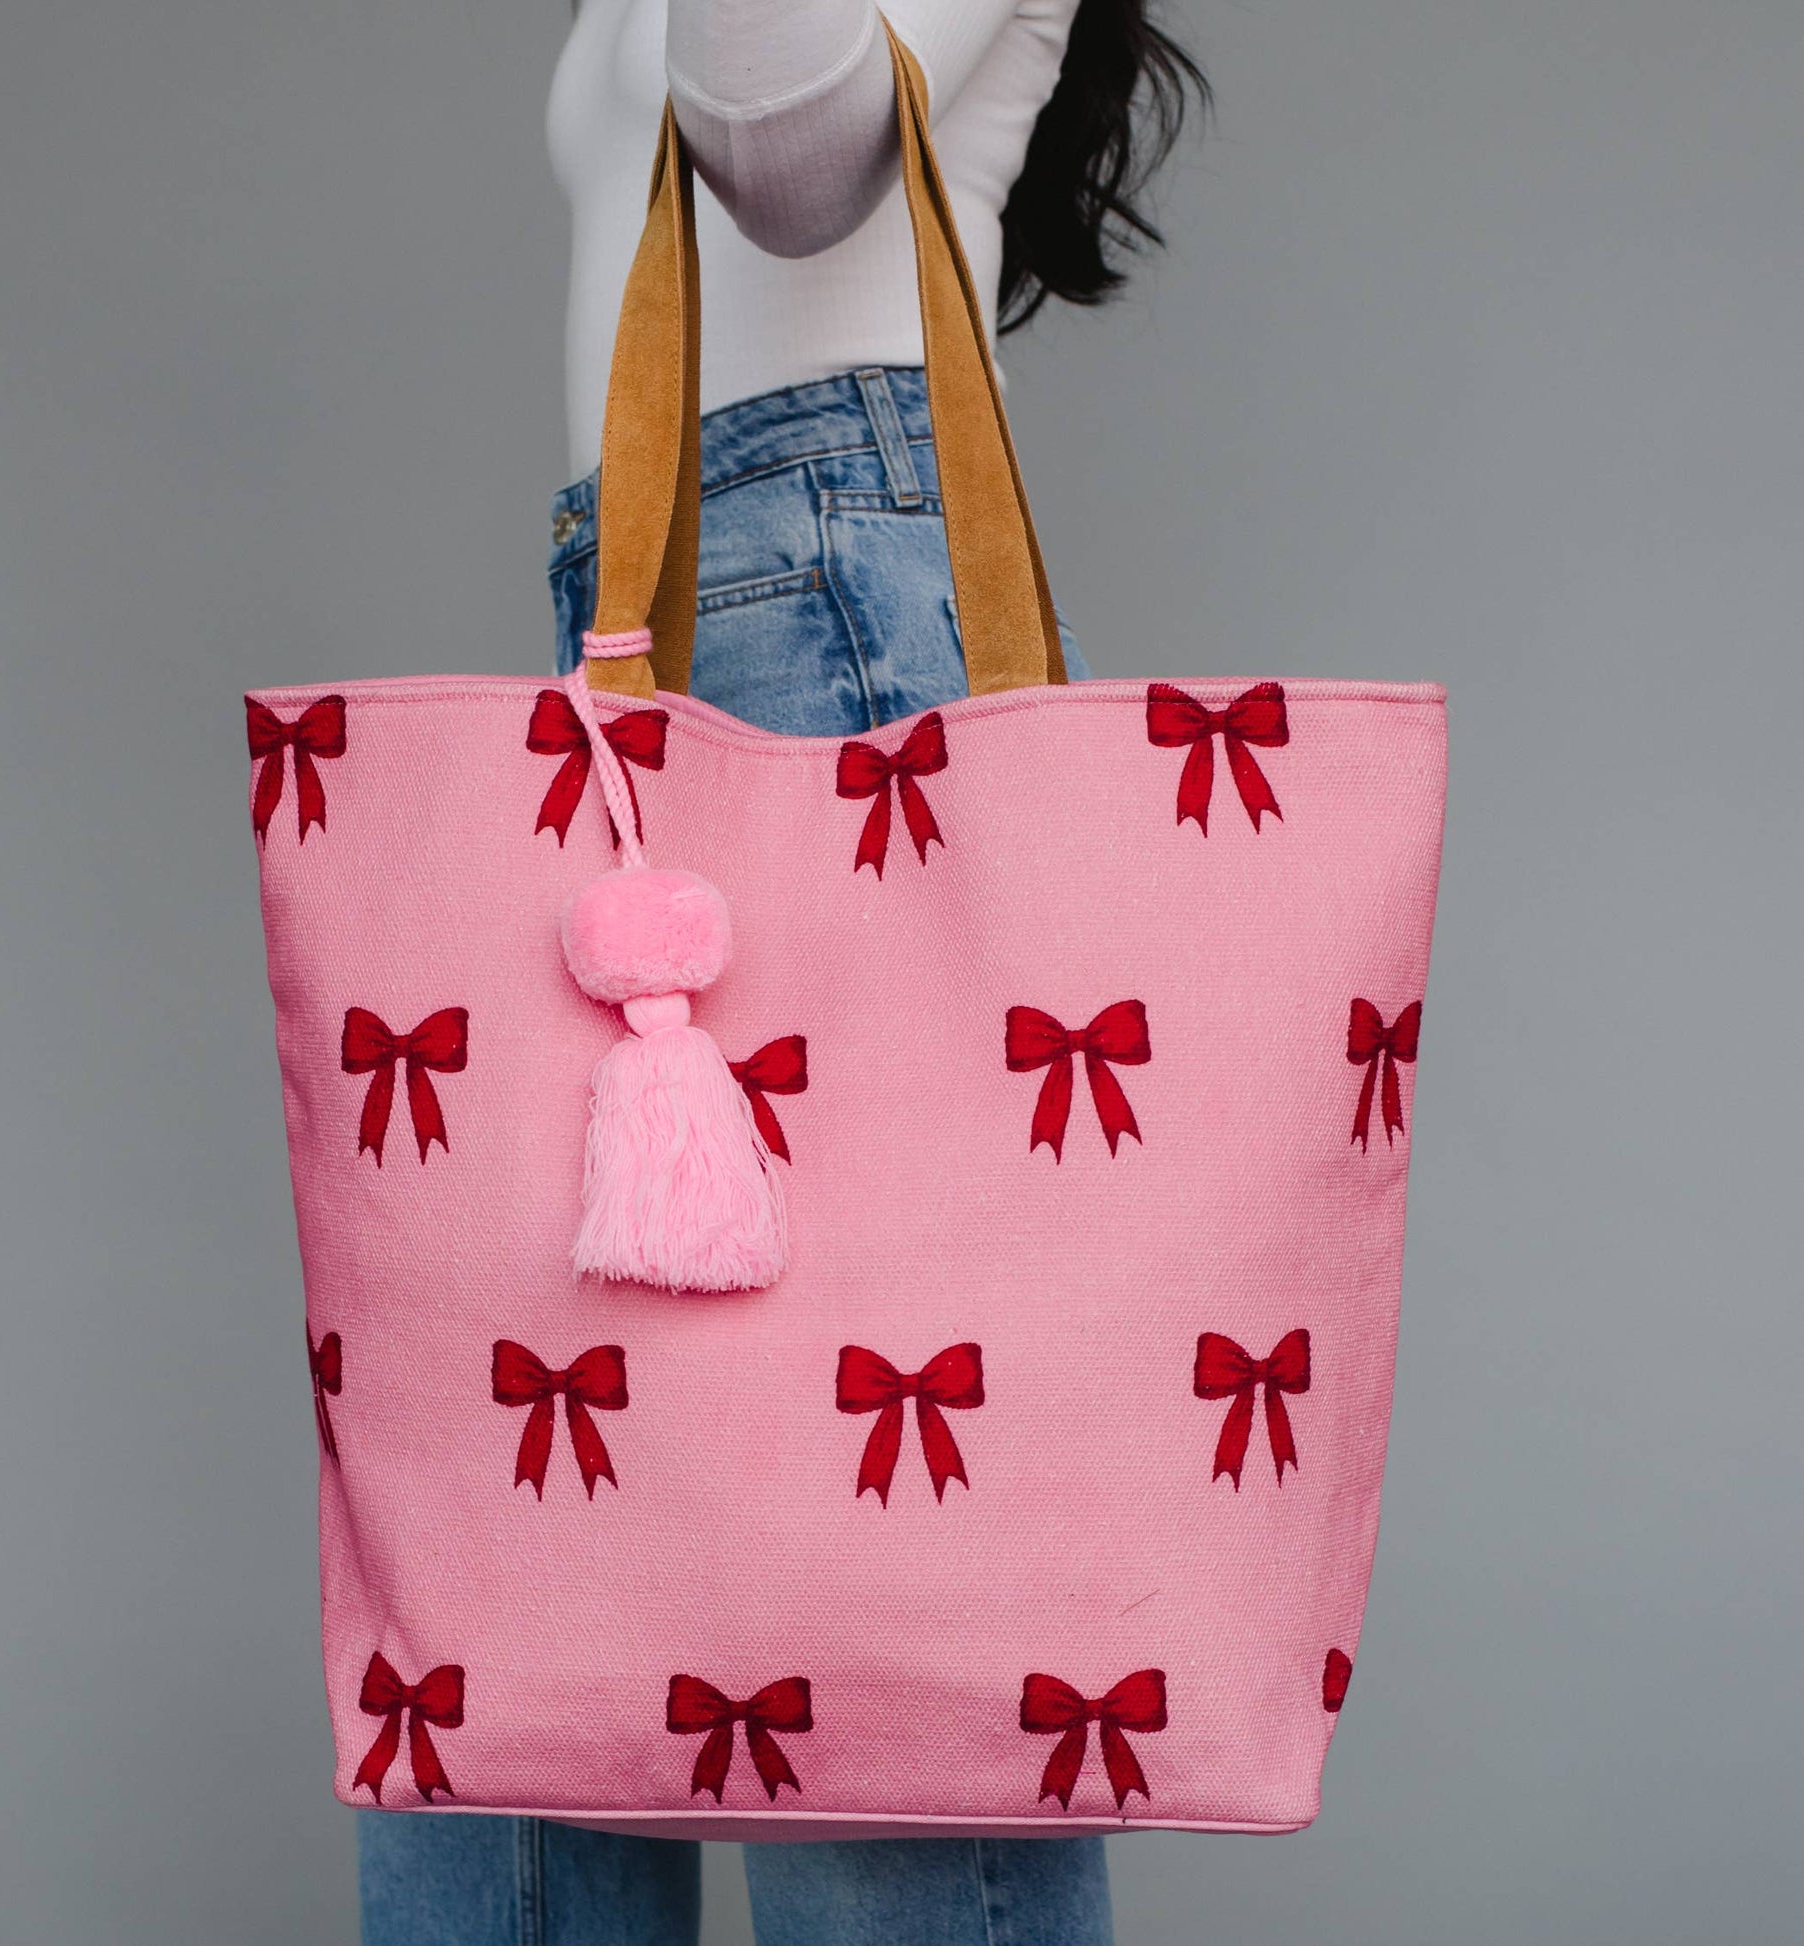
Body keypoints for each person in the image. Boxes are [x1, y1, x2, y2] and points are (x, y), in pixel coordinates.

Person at [359, 3, 1204, 1939]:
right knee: (524, 1585)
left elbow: (788, 151)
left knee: (879, 1622)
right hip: (654, 600)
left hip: (840, 620)